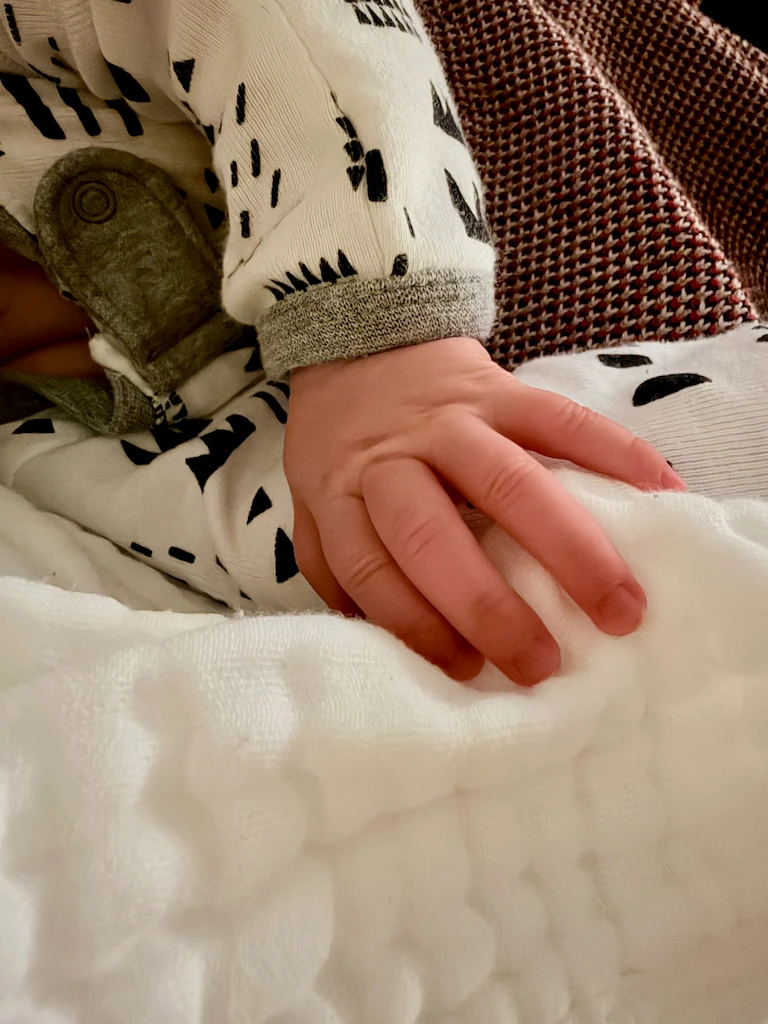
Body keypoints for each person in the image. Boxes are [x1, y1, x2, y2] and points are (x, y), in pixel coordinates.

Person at [0, 0, 684, 687]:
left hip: (454, 232)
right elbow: (267, 537)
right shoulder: (32, 466)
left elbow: (263, 21)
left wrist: (377, 328)